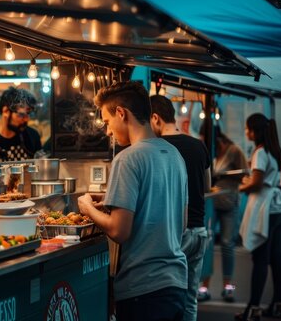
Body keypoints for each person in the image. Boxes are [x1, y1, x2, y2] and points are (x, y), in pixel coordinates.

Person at [78, 82, 188, 321]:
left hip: (143, 289)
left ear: (121, 113)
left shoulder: (127, 158)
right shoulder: (174, 155)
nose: (107, 131)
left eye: (107, 122)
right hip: (176, 284)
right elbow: (181, 221)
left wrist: (87, 208)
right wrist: (112, 200)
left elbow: (119, 230)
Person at [150, 95, 211, 321]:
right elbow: (208, 185)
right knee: (190, 298)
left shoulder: (159, 149)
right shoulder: (199, 145)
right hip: (200, 231)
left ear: (155, 118)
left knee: (167, 296)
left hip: (177, 233)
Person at [236, 113, 281, 321]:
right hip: (277, 208)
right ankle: (278, 304)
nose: (246, 132)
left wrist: (242, 186)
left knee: (260, 258)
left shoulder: (261, 153)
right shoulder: (274, 150)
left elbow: (256, 182)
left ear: (254, 131)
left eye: (247, 128)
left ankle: (253, 308)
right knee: (276, 257)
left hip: (266, 208)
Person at [198, 126, 248, 303]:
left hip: (229, 203)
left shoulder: (234, 150)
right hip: (212, 202)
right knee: (208, 244)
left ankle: (228, 287)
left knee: (227, 244)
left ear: (217, 138)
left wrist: (226, 176)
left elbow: (245, 174)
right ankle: (204, 287)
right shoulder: (210, 151)